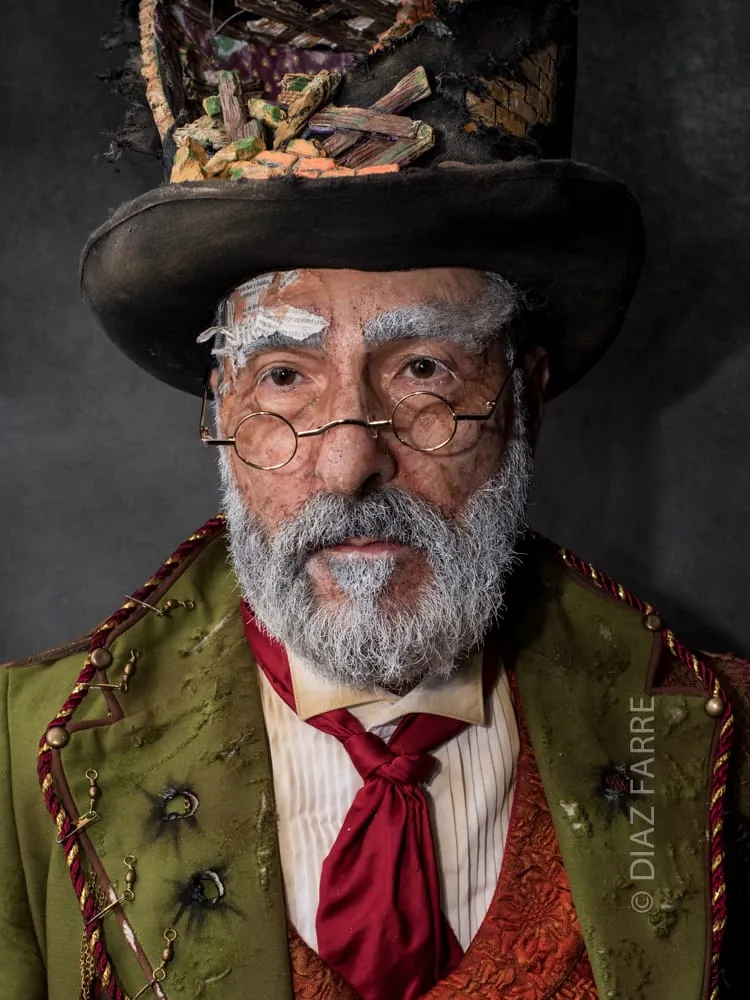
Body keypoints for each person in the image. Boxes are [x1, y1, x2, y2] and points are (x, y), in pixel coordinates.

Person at [1, 1, 748, 998]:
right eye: (284, 377)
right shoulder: (17, 758)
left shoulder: (725, 735)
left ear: (524, 399)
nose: (351, 462)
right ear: (220, 410)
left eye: (424, 370)